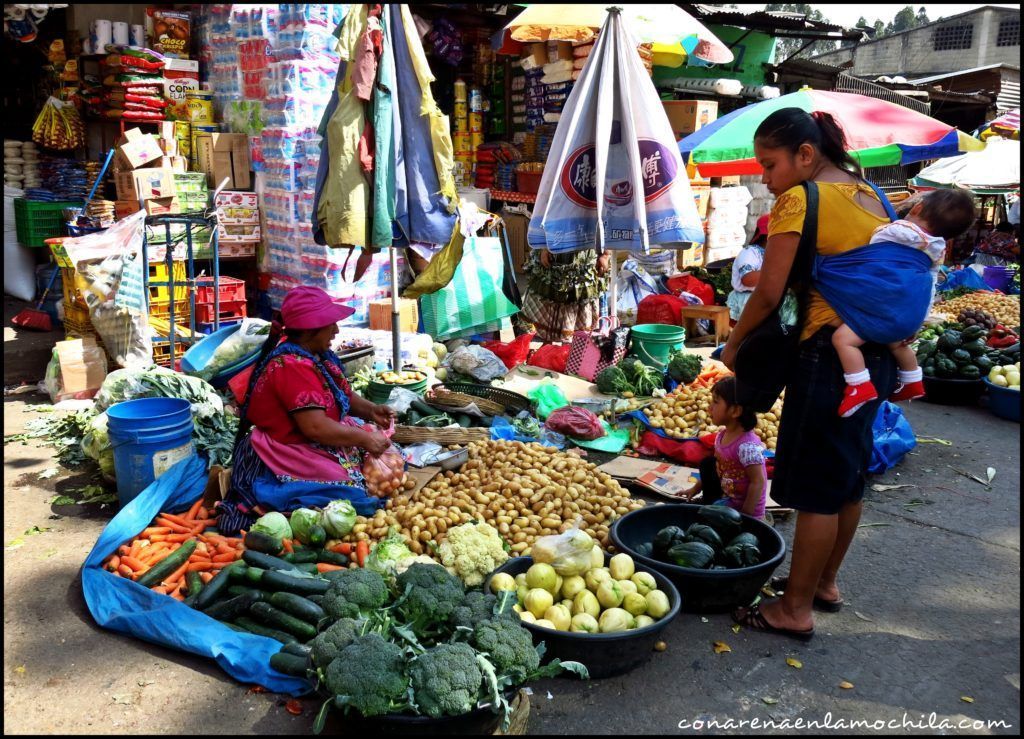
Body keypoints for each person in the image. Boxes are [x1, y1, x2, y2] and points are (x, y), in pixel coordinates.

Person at [719, 108, 899, 641]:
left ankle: (793, 609)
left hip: (827, 356)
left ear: (805, 154)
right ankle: (824, 583)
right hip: (876, 355)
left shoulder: (801, 198)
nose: (767, 179)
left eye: (769, 165)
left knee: (818, 485)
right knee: (847, 477)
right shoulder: (873, 196)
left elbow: (769, 291)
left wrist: (733, 343)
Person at [216, 286, 398, 535]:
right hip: (283, 446)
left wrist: (371, 411)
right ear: (311, 329)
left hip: (314, 435)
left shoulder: (317, 354)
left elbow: (341, 394)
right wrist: (366, 439)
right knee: (348, 494)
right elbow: (314, 426)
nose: (336, 330)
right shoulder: (291, 366)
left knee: (381, 464)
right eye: (330, 324)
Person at [832, 189, 976, 417]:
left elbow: (875, 242)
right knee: (897, 341)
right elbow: (930, 287)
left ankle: (859, 384)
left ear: (917, 209)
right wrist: (918, 320)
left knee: (843, 340)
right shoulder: (937, 250)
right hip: (907, 310)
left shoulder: (898, 231)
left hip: (882, 305)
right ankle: (912, 378)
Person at [682, 376, 768, 521]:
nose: (710, 407)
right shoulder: (721, 436)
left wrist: (746, 518)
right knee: (708, 463)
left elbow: (758, 482)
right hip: (729, 500)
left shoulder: (747, 447)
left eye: (715, 402)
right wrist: (694, 489)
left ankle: (760, 521)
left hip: (746, 511)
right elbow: (718, 467)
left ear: (735, 411)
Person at [521, 247, 611, 343]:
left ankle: (570, 352)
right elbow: (539, 231)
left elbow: (605, 232)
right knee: (541, 328)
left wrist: (605, 254)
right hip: (552, 254)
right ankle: (544, 353)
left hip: (584, 261)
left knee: (578, 338)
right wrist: (544, 246)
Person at [726, 214, 799, 326]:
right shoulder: (750, 252)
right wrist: (779, 272)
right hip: (750, 300)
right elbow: (748, 279)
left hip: (774, 300)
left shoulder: (779, 254)